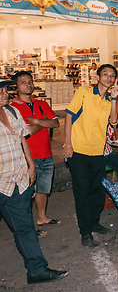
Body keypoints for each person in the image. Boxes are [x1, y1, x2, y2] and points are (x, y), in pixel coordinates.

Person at [0, 78, 68, 284]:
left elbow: (23, 137)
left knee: (25, 227)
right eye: (1, 91)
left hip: (18, 180)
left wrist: (30, 166)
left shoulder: (11, 112)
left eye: (4, 90)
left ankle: (36, 270)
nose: (5, 94)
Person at [63, 64, 118, 247]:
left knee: (97, 190)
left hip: (97, 152)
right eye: (105, 74)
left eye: (112, 75)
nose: (109, 78)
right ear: (98, 77)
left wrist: (115, 99)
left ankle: (94, 223)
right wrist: (68, 144)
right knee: (82, 192)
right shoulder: (84, 92)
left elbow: (113, 121)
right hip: (78, 150)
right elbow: (69, 117)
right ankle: (85, 231)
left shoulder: (109, 99)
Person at [12, 71, 61, 233]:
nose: (28, 85)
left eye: (30, 81)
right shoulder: (12, 109)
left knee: (43, 189)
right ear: (16, 87)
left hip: (46, 154)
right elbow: (27, 132)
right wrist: (44, 123)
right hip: (27, 158)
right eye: (23, 82)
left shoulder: (42, 103)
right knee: (26, 194)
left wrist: (37, 121)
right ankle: (28, 226)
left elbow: (55, 124)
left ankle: (42, 217)